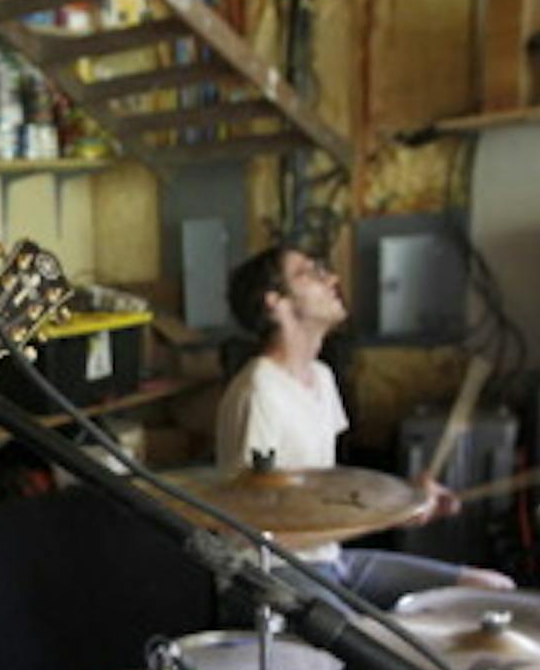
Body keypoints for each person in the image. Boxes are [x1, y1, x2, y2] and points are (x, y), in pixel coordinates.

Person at [216, 242, 512, 606]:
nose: (333, 279)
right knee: (373, 649)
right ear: (275, 301)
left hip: (330, 559)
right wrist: (389, 517)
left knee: (488, 587)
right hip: (270, 570)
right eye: (310, 273)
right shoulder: (259, 389)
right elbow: (248, 530)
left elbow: (329, 487)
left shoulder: (322, 377)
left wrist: (406, 496)